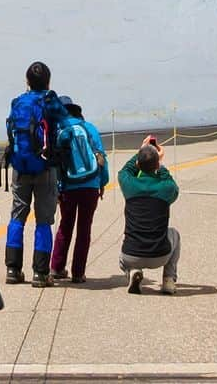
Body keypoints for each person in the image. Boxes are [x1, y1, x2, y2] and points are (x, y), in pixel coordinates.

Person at [4, 60, 70, 287]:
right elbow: (64, 119)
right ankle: (40, 273)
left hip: (20, 165)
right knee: (43, 220)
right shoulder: (50, 101)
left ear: (27, 82)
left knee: (17, 217)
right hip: (45, 167)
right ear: (48, 81)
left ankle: (13, 269)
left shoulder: (17, 102)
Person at [50, 97, 109, 283]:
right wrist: (102, 183)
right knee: (84, 229)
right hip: (90, 185)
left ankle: (57, 268)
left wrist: (57, 188)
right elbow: (101, 158)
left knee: (65, 227)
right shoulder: (89, 128)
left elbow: (55, 164)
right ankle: (78, 273)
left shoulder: (57, 130)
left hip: (68, 187)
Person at [118, 134, 181, 294]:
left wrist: (141, 151)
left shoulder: (129, 185)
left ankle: (132, 272)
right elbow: (172, 185)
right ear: (156, 165)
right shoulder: (165, 188)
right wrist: (159, 163)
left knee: (123, 253)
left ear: (138, 164)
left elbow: (125, 170)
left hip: (131, 254)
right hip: (160, 255)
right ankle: (168, 279)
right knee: (174, 234)